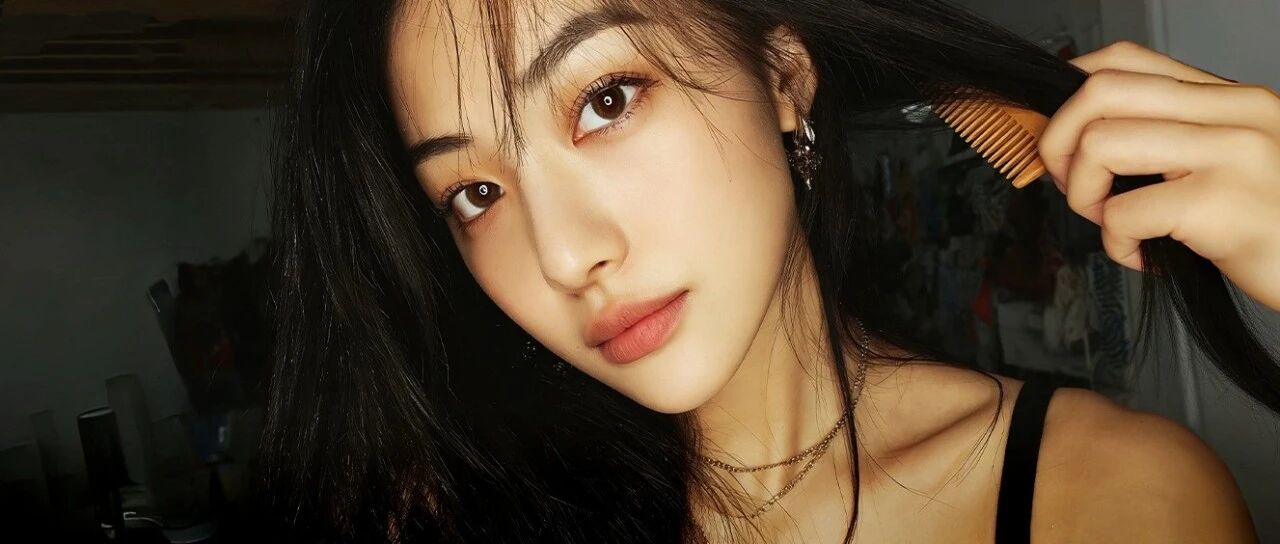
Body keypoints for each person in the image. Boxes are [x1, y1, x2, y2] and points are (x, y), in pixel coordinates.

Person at [261, 0, 1279, 542]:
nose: (566, 257)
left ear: (783, 77)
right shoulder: (453, 515)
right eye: (474, 193)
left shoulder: (1109, 498)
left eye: (606, 101)